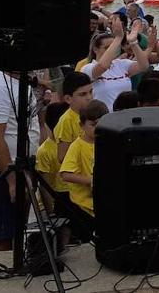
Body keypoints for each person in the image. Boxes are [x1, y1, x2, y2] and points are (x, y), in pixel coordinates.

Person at [0, 60, 41, 252]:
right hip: (2, 173)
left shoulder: (20, 81)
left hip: (23, 167)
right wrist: (12, 180)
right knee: (3, 238)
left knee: (17, 232)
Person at [59, 99, 109, 231]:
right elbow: (65, 174)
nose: (98, 128)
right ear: (82, 125)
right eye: (93, 124)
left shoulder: (107, 143)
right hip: (84, 205)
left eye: (102, 124)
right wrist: (91, 181)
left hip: (104, 200)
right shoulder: (77, 146)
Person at [82, 19, 150, 110]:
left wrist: (133, 42)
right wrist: (118, 38)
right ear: (95, 49)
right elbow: (103, 66)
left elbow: (144, 65)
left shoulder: (121, 64)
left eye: (114, 47)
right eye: (107, 48)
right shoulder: (87, 68)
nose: (112, 50)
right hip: (104, 116)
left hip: (125, 115)